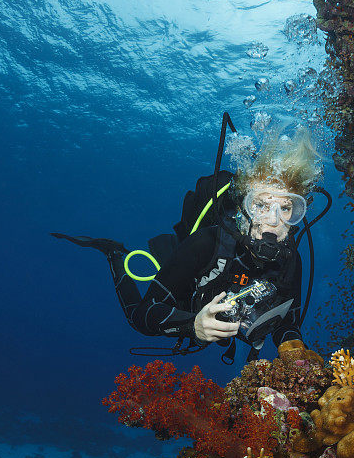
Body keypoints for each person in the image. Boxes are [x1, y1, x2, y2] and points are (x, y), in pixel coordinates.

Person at [53, 127, 322, 363]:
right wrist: (191, 325)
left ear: (299, 214)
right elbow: (143, 316)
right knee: (135, 308)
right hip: (187, 304)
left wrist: (292, 347)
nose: (272, 222)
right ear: (244, 207)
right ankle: (113, 253)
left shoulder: (290, 260)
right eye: (260, 205)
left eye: (287, 208)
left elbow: (287, 320)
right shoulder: (207, 243)